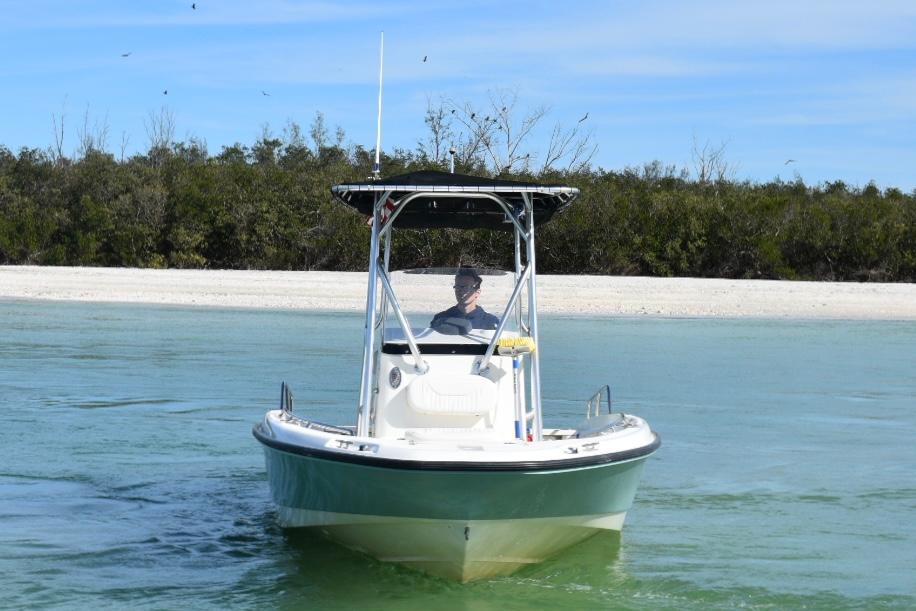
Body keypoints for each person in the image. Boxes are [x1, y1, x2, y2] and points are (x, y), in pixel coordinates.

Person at [430, 268, 500, 331]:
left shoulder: (491, 322)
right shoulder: (440, 319)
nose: (461, 290)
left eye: (466, 287)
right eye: (457, 287)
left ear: (477, 292)